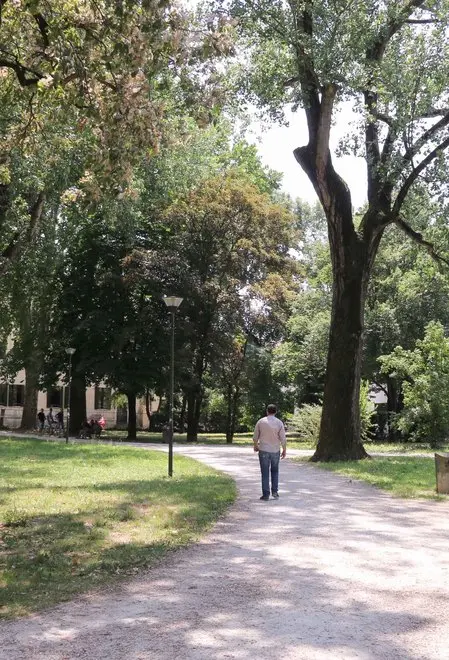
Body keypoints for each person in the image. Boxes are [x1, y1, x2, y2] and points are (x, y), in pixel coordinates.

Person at [253, 404, 286, 501]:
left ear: (267, 411)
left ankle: (266, 494)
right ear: (276, 412)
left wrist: (256, 446)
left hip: (263, 450)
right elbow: (283, 438)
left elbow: (255, 437)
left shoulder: (261, 422)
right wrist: (284, 450)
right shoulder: (279, 423)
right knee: (275, 471)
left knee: (265, 472)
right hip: (275, 450)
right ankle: (275, 492)